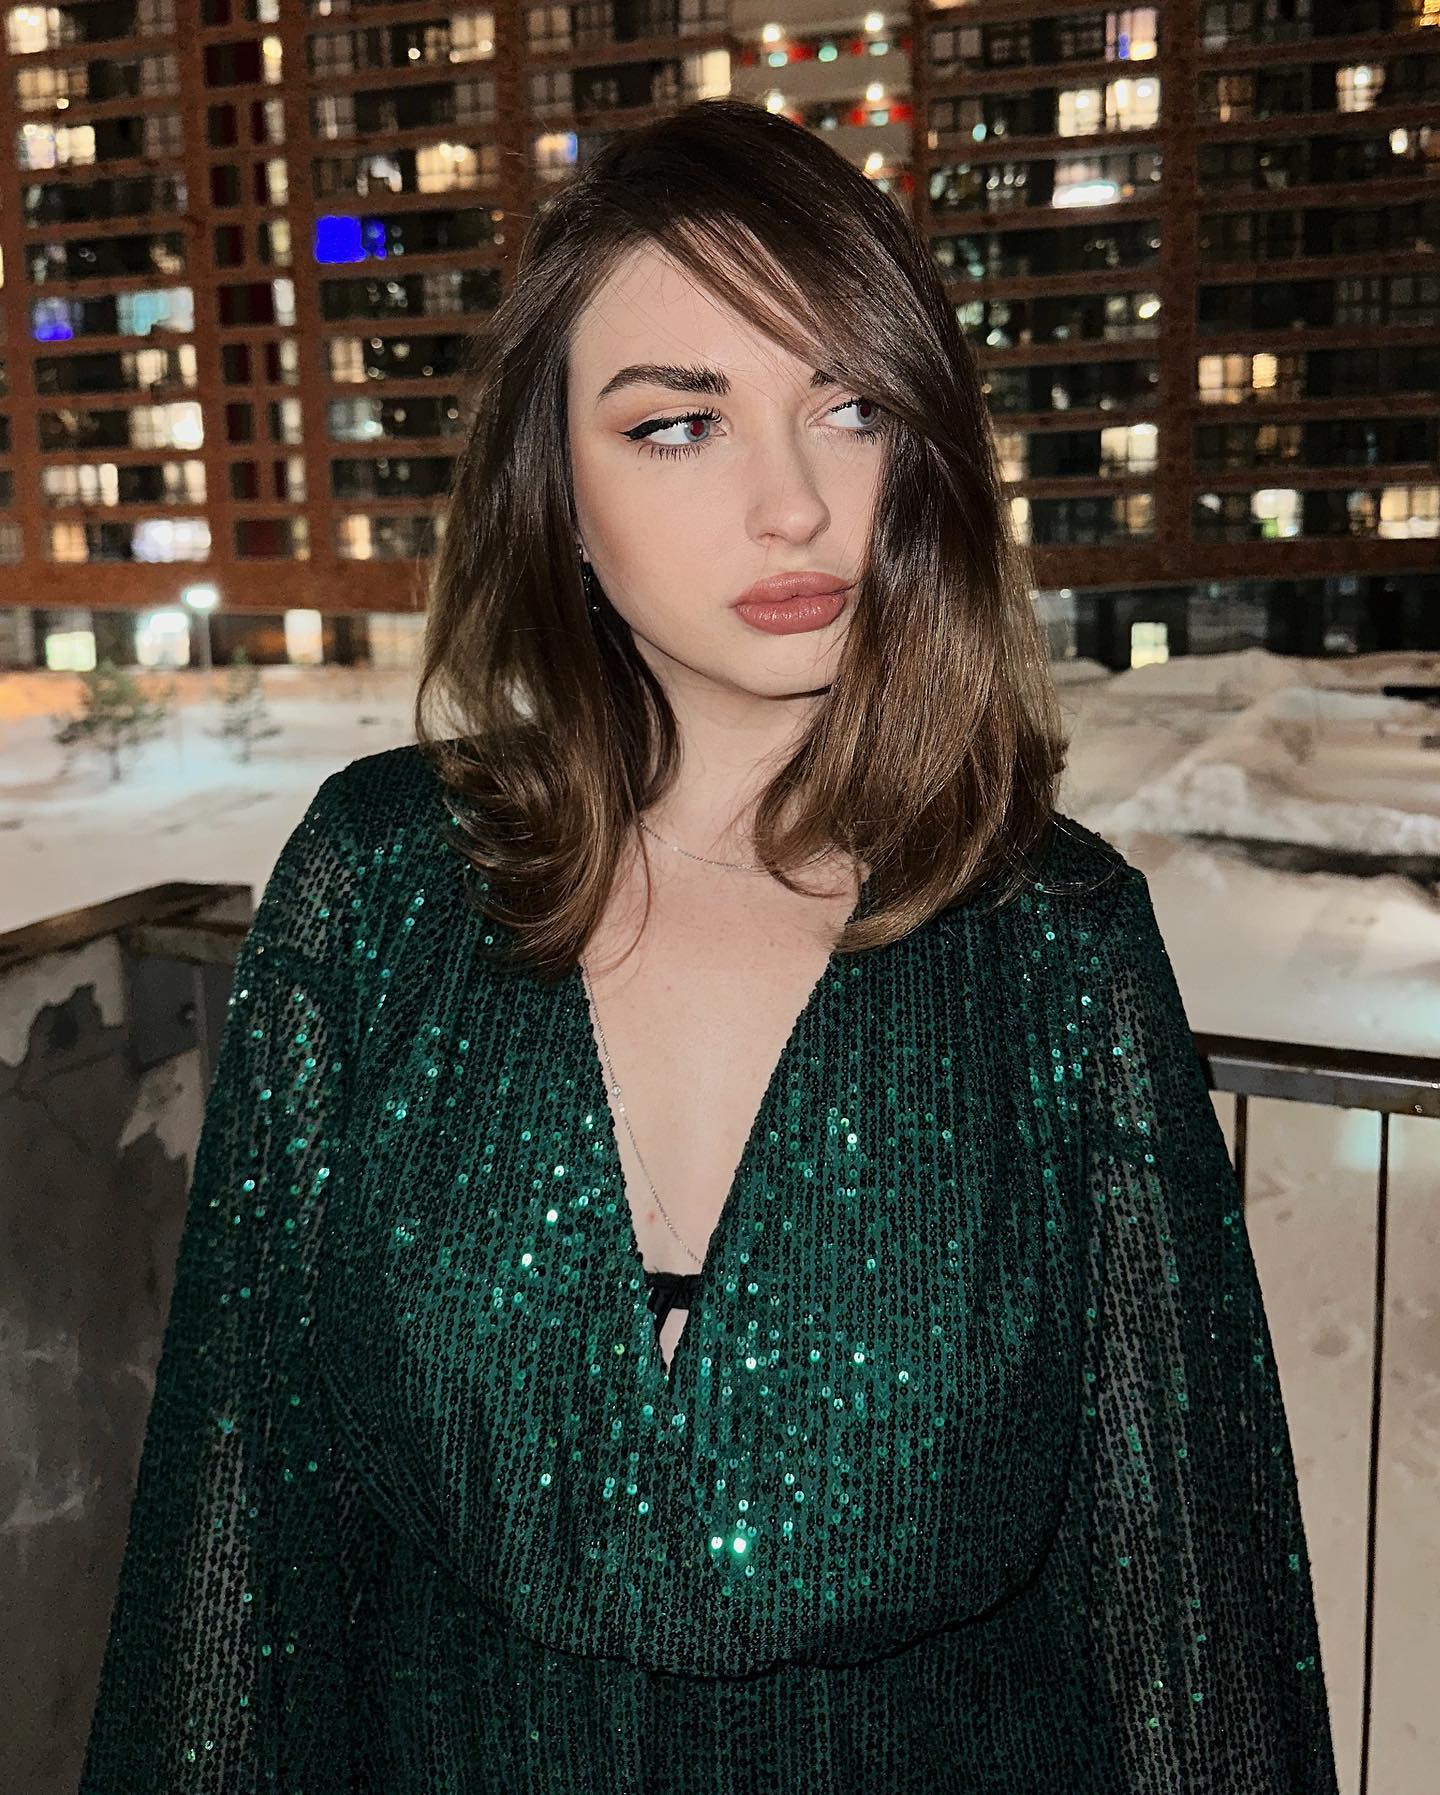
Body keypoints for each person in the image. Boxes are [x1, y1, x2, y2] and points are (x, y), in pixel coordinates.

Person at [79, 98, 1340, 1793]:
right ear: (557, 485)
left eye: (851, 406)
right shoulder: (380, 889)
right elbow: (234, 1554)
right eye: (679, 423)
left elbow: (1191, 1628)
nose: (794, 505)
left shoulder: (1055, 945)